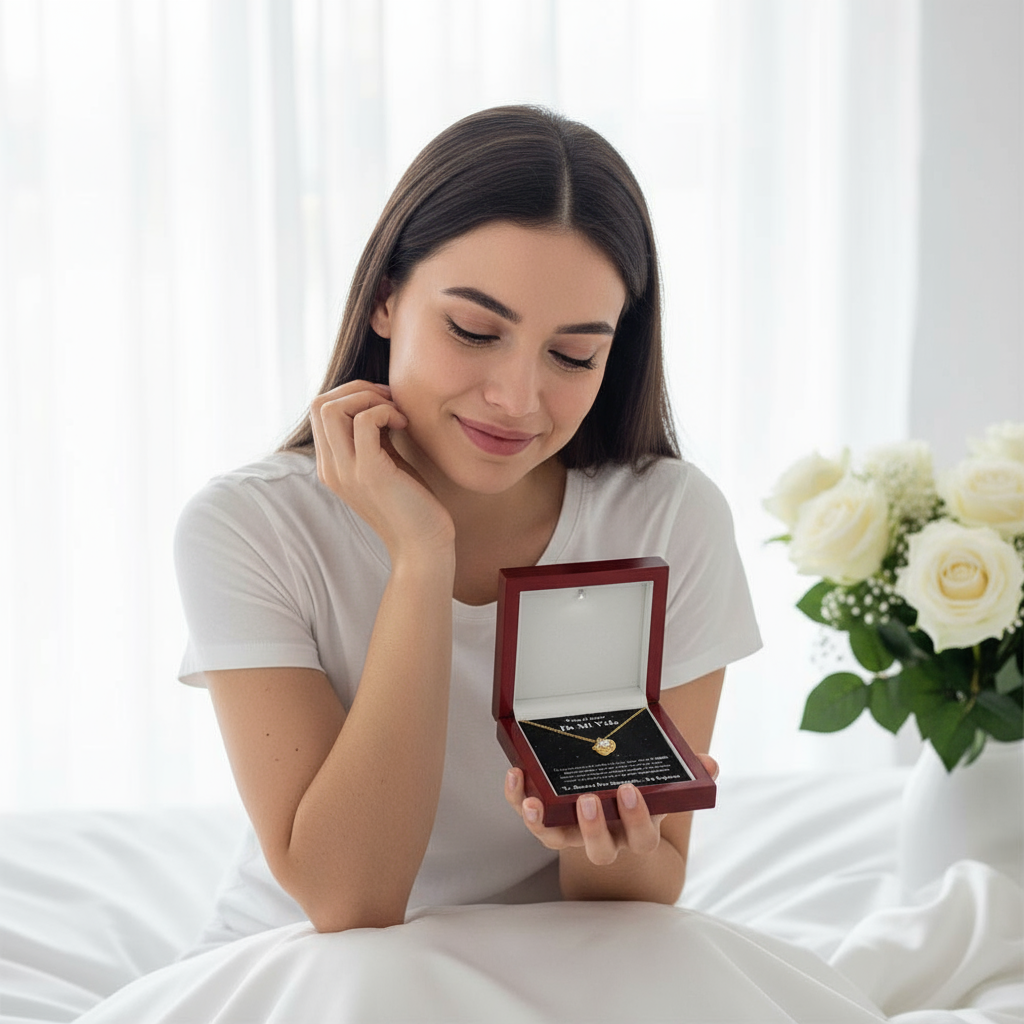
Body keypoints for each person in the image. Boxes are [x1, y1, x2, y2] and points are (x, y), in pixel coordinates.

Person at [173, 104, 762, 948]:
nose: (517, 400)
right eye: (474, 330)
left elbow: (644, 886)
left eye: (573, 355)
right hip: (307, 966)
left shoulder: (668, 518)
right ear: (385, 300)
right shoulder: (248, 527)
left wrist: (601, 845)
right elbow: (351, 903)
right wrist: (421, 558)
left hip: (557, 964)